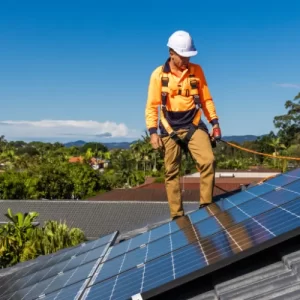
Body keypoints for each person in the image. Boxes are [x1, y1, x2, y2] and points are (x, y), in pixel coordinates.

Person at [145, 30, 222, 220]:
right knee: (171, 172)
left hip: (193, 125)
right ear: (172, 53)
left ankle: (206, 205)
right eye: (183, 56)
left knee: (208, 161)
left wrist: (215, 123)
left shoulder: (197, 71)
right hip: (169, 128)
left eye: (189, 56)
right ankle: (177, 217)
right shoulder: (158, 75)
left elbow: (206, 99)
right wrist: (153, 132)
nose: (186, 59)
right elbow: (152, 106)